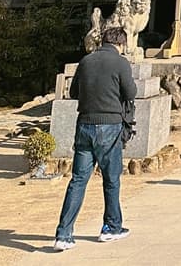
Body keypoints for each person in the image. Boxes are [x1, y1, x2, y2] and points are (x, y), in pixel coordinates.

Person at [54, 24, 136, 251]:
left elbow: (73, 93)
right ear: (121, 44)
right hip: (110, 124)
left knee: (78, 180)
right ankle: (111, 227)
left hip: (85, 123)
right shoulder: (120, 63)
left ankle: (63, 234)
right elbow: (130, 93)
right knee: (111, 179)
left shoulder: (86, 61)